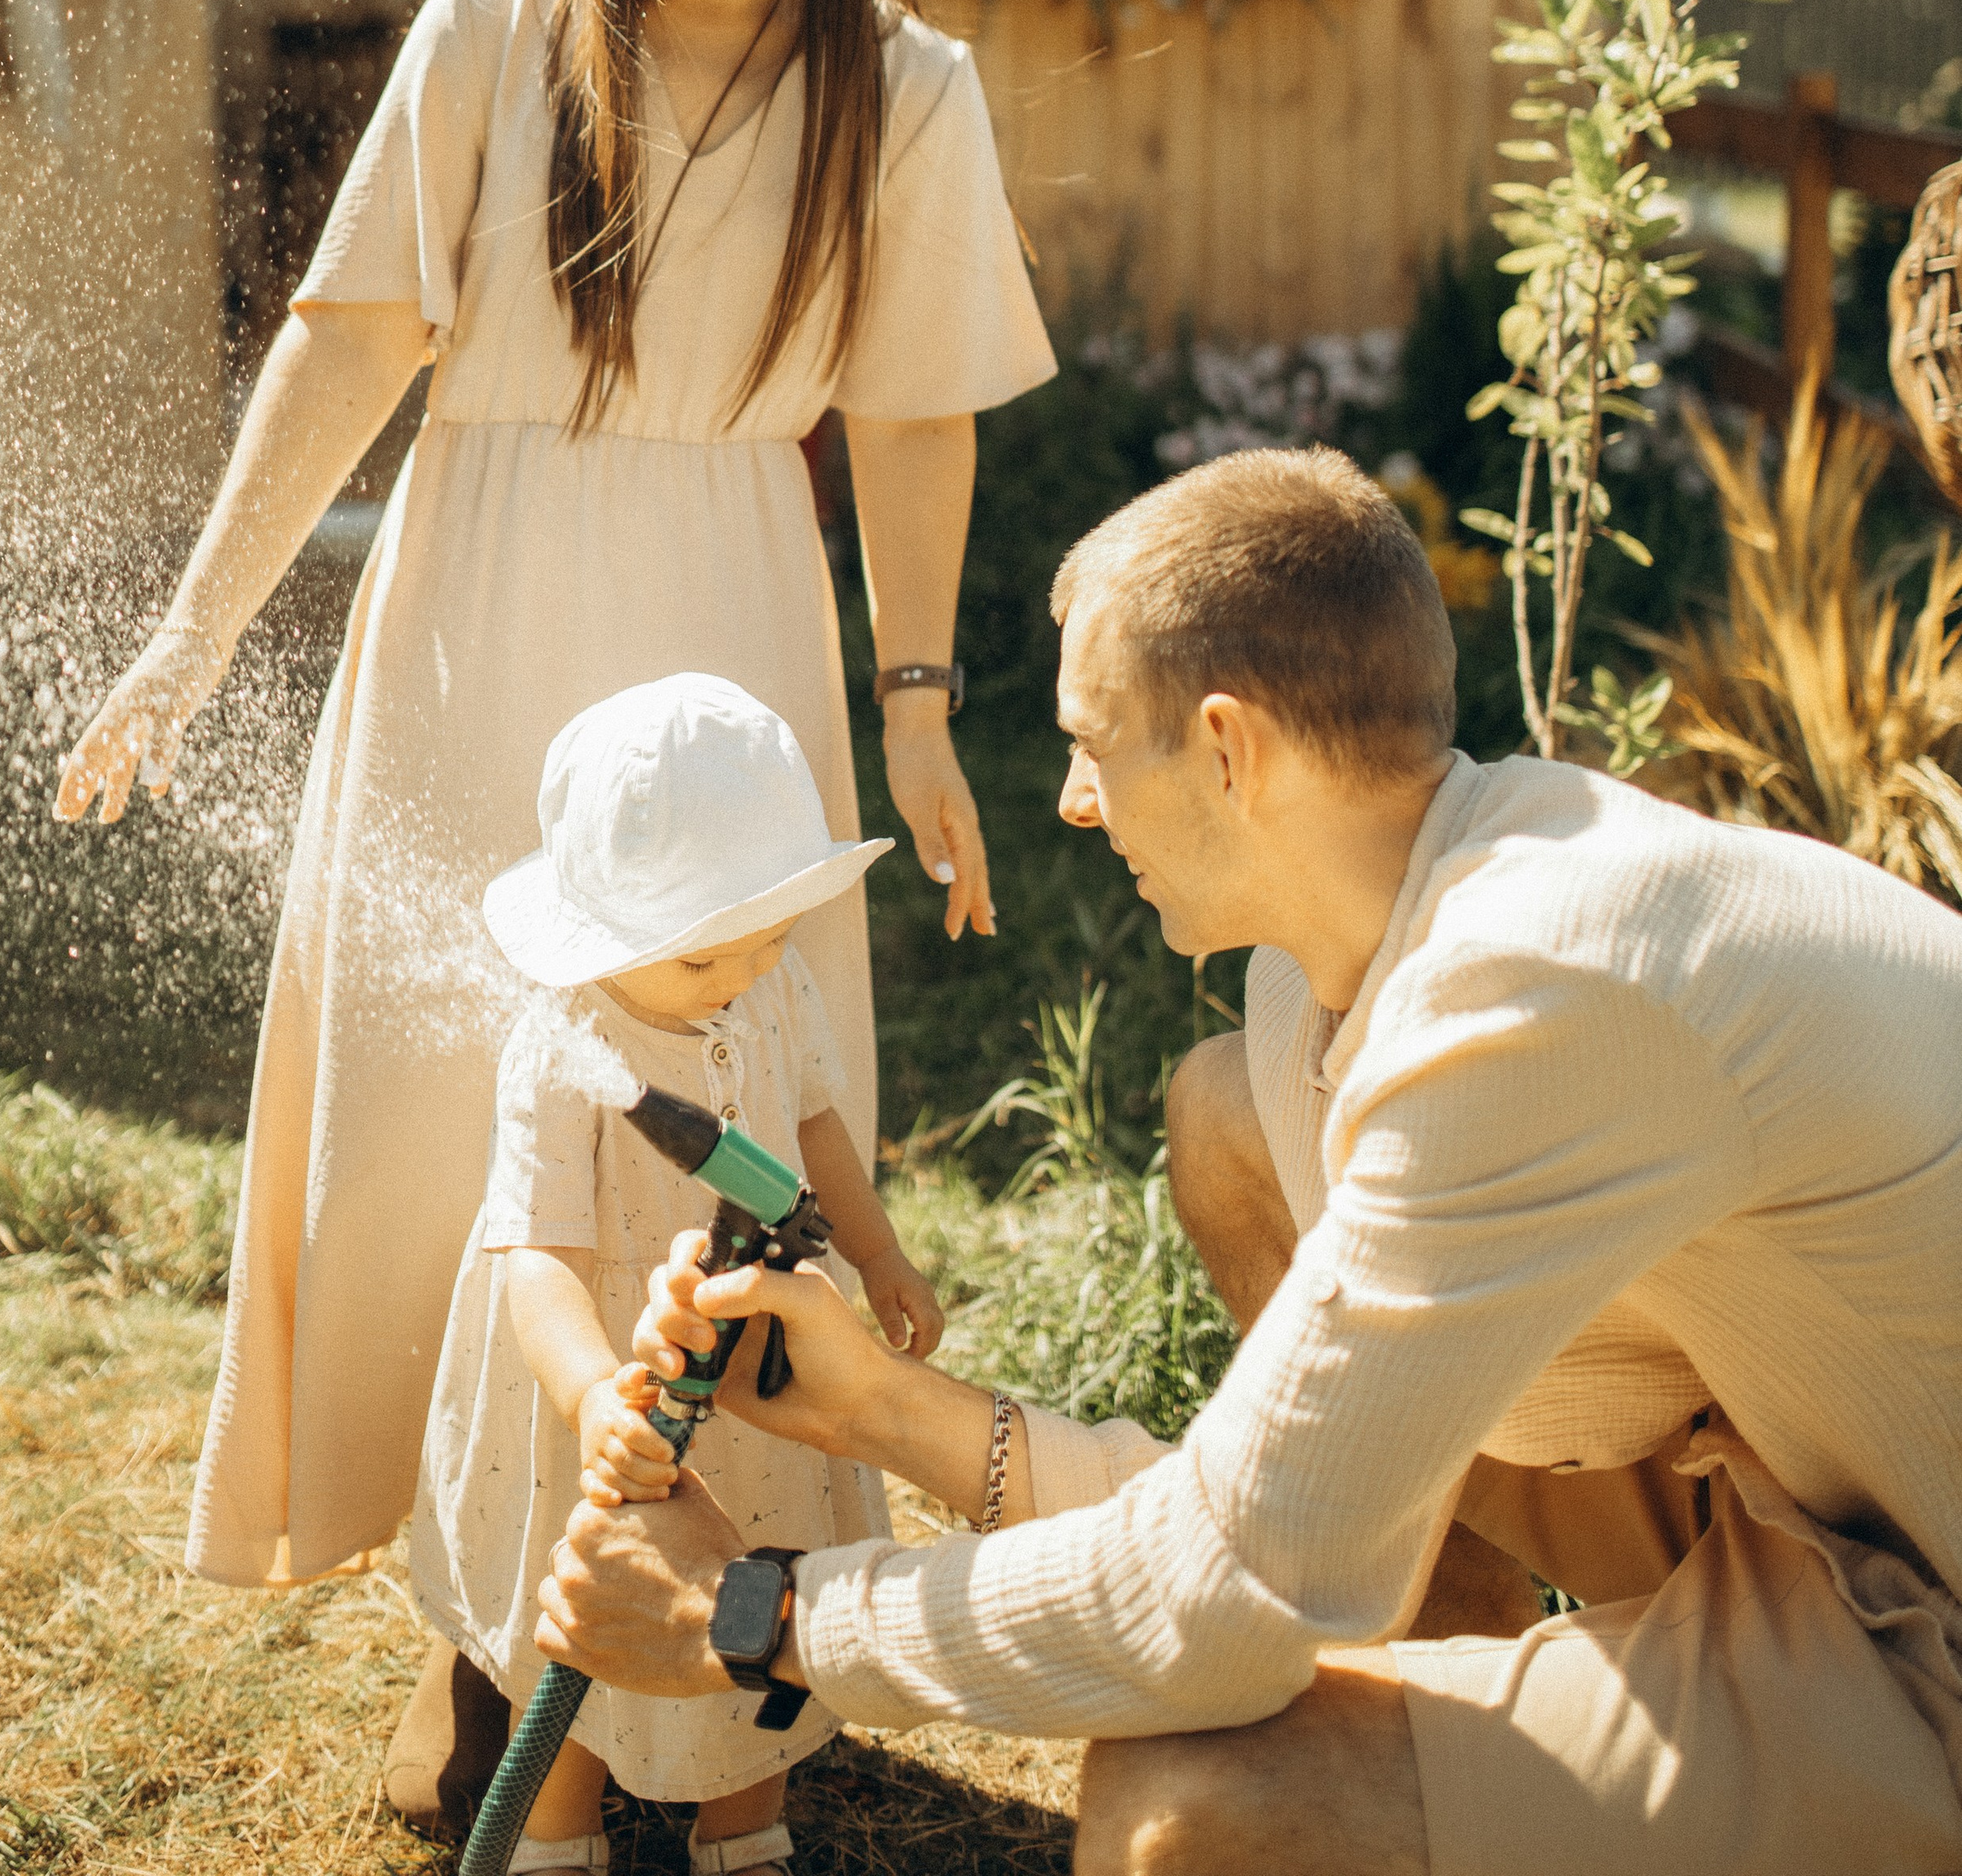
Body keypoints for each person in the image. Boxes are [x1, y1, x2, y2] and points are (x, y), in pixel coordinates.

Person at [49, 0, 1054, 1814]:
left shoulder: (908, 92)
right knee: (454, 1146)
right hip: (471, 614)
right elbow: (351, 337)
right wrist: (195, 638)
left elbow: (911, 414)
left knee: (709, 1145)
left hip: (730, 626)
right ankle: (474, 1628)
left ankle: (719, 1652)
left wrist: (910, 705)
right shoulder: (500, 28)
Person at [535, 447, 1962, 1875]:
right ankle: (1465, 1713)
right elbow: (1259, 1507)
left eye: (1091, 744)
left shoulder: (1535, 992)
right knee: (1226, 1109)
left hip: (1922, 1617)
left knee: (1196, 1816)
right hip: (1802, 1496)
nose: (1074, 803)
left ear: (1229, 749)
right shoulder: (1364, 951)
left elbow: (1222, 1588)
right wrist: (884, 1410)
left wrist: (758, 1618)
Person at [411, 669, 942, 1871]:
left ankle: (741, 1828)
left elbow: (812, 1131)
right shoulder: (567, 1044)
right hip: (600, 1391)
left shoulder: (769, 981)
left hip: (755, 1386)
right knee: (592, 1618)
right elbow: (538, 1255)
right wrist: (596, 1395)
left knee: (749, 1601)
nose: (749, 975)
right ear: (611, 937)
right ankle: (553, 1834)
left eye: (772, 939)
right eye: (712, 960)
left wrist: (879, 1251)